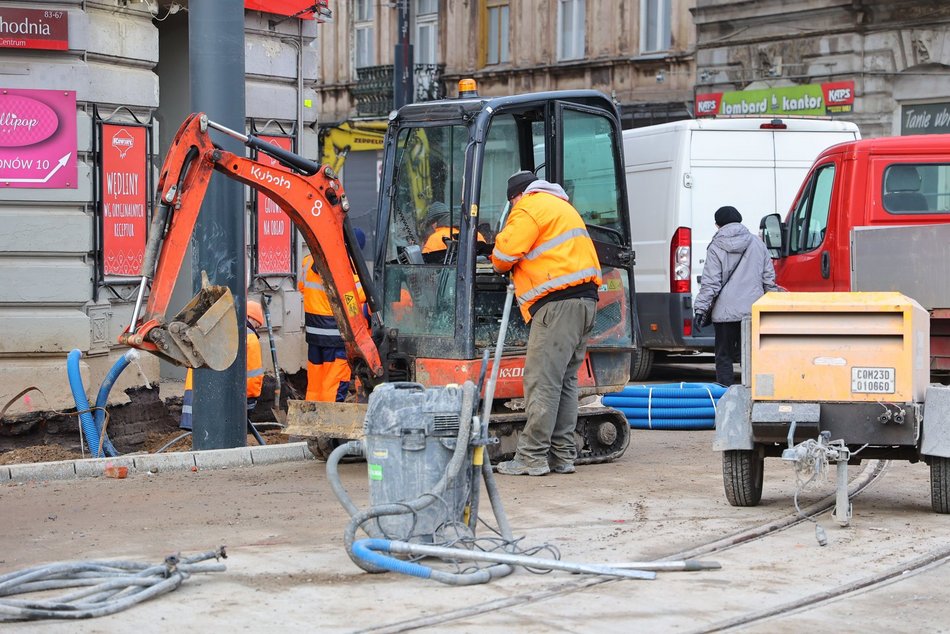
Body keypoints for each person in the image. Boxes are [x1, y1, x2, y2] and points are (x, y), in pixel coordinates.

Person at [490, 170, 601, 476]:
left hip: (558, 306)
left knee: (542, 381)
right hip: (585, 302)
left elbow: (503, 255)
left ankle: (532, 457)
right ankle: (562, 454)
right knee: (565, 382)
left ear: (515, 197)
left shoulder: (529, 206)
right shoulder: (562, 206)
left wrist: (498, 241)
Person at [693, 205, 782, 386]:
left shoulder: (716, 246)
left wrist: (700, 309)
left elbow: (711, 282)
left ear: (718, 225)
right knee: (751, 356)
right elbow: (768, 279)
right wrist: (774, 305)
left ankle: (725, 396)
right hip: (752, 311)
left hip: (725, 314)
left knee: (724, 356)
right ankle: (752, 393)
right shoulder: (757, 243)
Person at [299, 228, 367, 402]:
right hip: (335, 336)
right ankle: (327, 422)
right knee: (333, 382)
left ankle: (310, 418)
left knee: (315, 382)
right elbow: (356, 298)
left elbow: (301, 287)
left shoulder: (308, 261)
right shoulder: (344, 267)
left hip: (314, 334)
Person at [180, 299, 265, 430]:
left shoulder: (215, 327)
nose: (256, 329)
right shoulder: (249, 337)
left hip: (195, 392)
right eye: (256, 324)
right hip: (220, 401)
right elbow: (253, 377)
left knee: (200, 436)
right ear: (248, 316)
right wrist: (249, 405)